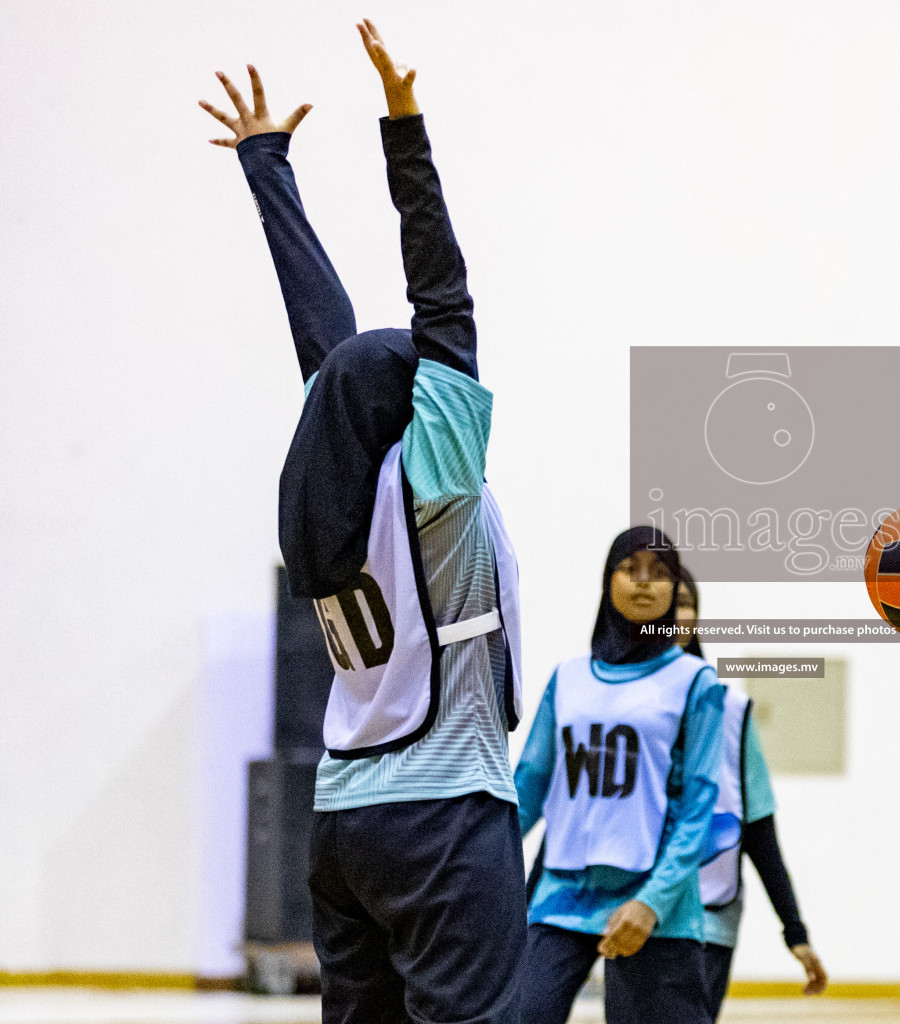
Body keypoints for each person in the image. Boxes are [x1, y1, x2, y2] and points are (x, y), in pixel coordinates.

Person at [199, 23, 526, 1024]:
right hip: (445, 811)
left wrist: (268, 168)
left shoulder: (344, 476)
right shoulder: (437, 478)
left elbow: (324, 336)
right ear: (419, 404)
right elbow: (444, 298)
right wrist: (405, 128)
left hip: (342, 822)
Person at [513, 528, 727, 1024]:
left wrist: (651, 903)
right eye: (631, 569)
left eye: (661, 572)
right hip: (559, 896)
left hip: (657, 905)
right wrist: (481, 862)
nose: (645, 583)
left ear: (675, 589)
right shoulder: (567, 677)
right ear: (608, 580)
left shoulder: (696, 683)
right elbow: (528, 787)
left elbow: (698, 810)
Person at [673, 568, 829, 1019]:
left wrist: (794, 932)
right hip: (631, 916)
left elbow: (758, 831)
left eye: (686, 603)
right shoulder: (612, 702)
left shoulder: (730, 711)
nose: (676, 614)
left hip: (707, 921)